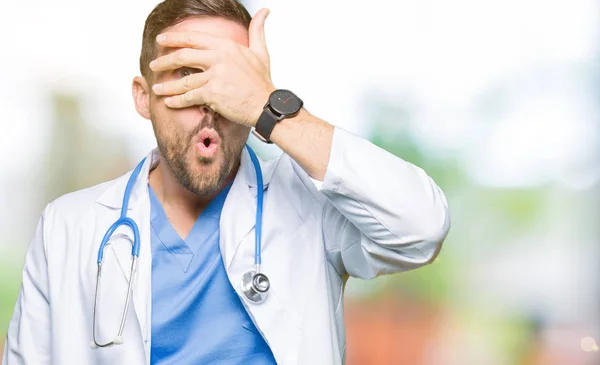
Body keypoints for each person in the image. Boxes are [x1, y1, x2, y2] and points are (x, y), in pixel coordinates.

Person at [2, 0, 451, 364]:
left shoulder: (308, 207)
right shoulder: (66, 228)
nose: (210, 101)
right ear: (143, 97)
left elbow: (421, 228)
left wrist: (270, 108)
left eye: (227, 80)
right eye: (186, 75)